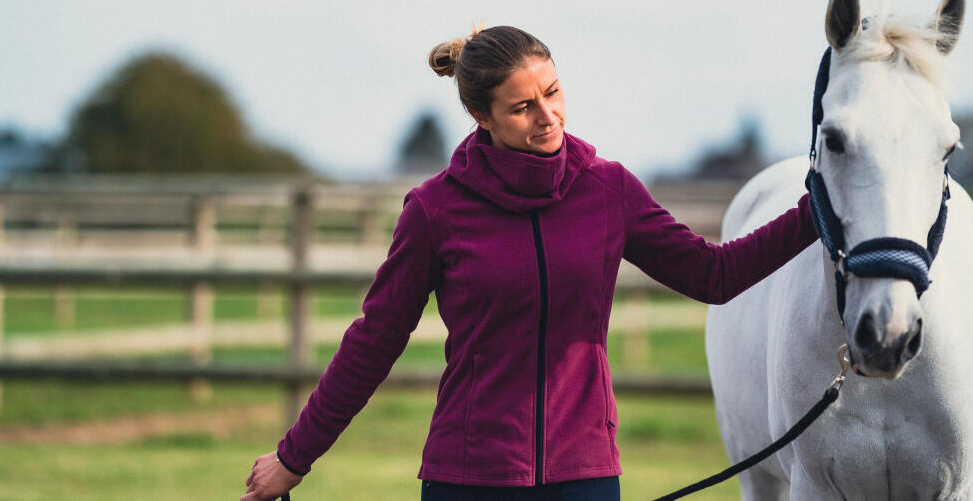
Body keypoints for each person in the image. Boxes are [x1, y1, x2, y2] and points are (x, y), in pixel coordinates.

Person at [242, 25, 818, 501]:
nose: (547, 116)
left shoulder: (608, 191)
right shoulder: (435, 210)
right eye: (522, 107)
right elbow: (374, 341)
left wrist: (820, 211)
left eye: (553, 92)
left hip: (584, 474)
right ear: (481, 116)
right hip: (467, 477)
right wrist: (295, 457)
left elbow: (713, 276)